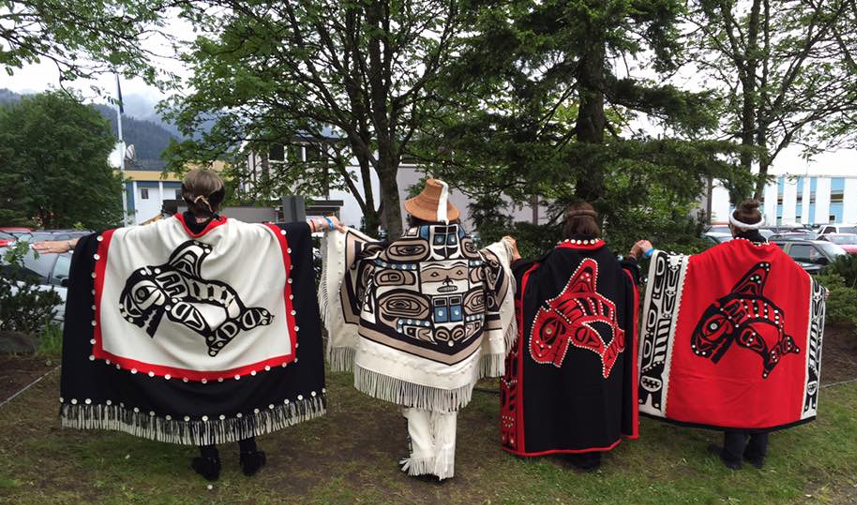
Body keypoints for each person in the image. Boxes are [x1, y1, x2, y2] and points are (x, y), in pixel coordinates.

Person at [37, 168, 340, 481]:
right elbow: (284, 235)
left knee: (198, 388)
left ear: (184, 196)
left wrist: (74, 244)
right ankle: (248, 453)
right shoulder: (241, 233)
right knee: (242, 383)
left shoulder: (161, 232)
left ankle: (209, 458)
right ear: (220, 199)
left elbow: (112, 242)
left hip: (181, 339)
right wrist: (327, 223)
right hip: (231, 336)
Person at [318, 178, 516, 481]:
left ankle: (423, 457)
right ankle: (443, 464)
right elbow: (489, 263)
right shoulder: (466, 246)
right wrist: (503, 248)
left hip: (414, 338)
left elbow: (372, 258)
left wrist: (343, 238)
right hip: (459, 338)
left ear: (415, 216)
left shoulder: (404, 247)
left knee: (414, 392)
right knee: (448, 401)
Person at [635, 198, 829, 470]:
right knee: (760, 392)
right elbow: (804, 281)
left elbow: (686, 268)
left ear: (733, 227)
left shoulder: (724, 253)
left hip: (738, 346)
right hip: (760, 339)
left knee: (737, 393)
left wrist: (651, 253)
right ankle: (757, 454)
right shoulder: (779, 256)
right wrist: (819, 292)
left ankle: (733, 456)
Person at [500, 202, 647, 469]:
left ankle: (571, 445)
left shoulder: (558, 258)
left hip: (571, 353)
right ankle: (594, 448)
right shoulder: (607, 258)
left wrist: (516, 257)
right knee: (595, 394)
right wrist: (632, 257)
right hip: (594, 354)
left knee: (569, 392)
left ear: (567, 225)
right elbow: (627, 281)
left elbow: (529, 285)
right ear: (594, 225)